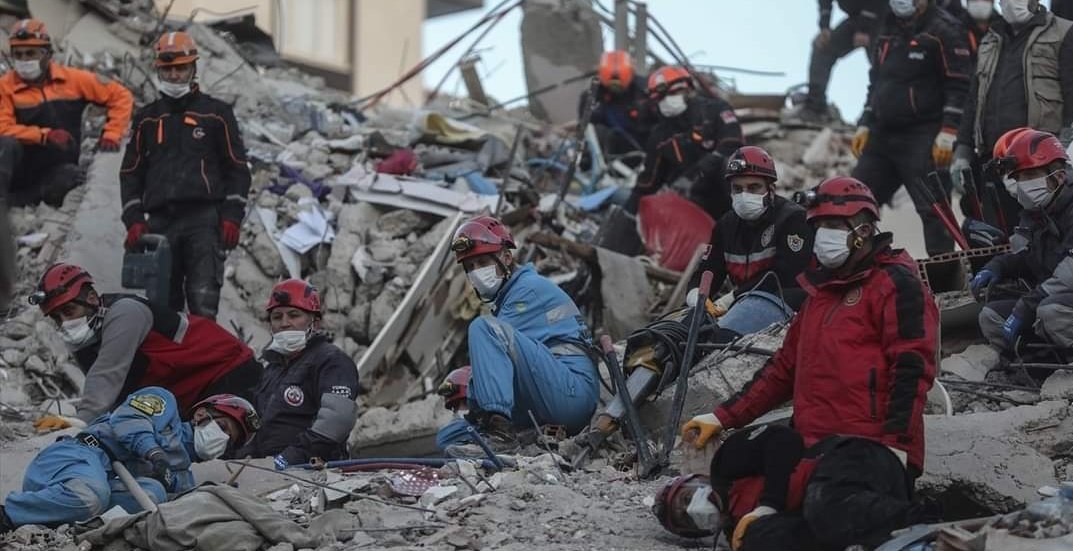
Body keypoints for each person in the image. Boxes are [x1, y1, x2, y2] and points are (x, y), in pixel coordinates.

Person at [682, 176, 940, 548]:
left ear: (863, 230)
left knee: (827, 504)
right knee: (759, 534)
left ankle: (921, 530)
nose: (823, 237)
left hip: (870, 447)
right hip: (813, 449)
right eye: (819, 227)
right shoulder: (819, 297)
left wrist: (896, 445)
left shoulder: (895, 284)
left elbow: (912, 368)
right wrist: (723, 417)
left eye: (834, 225)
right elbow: (782, 370)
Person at [29, 263, 262, 430]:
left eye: (69, 311)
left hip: (228, 372)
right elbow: (115, 398)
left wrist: (80, 421)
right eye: (56, 317)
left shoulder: (125, 312)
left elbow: (107, 374)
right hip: (188, 394)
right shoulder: (85, 339)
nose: (65, 322)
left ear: (91, 299)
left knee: (228, 449)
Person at [435, 216, 598, 452]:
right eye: (470, 267)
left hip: (572, 394)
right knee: (450, 437)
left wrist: (470, 396)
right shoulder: (507, 298)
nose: (476, 272)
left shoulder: (527, 289)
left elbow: (491, 360)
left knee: (483, 328)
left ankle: (501, 435)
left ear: (506, 258)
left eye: (482, 262)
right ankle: (507, 434)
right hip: (546, 392)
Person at [120, 31, 251, 320]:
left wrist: (231, 216)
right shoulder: (147, 118)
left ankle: (204, 352)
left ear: (193, 68)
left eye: (181, 68)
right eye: (167, 69)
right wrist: (134, 220)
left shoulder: (216, 114)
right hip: (159, 224)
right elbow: (130, 173)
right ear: (158, 69)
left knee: (203, 306)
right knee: (162, 312)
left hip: (202, 223)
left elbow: (237, 169)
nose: (174, 75)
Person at [0, 387, 259, 532]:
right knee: (90, 495)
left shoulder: (181, 476)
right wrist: (153, 452)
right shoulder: (164, 403)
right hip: (74, 457)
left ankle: (72, 528)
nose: (222, 439)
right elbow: (129, 419)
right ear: (201, 414)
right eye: (223, 428)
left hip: (94, 493)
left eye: (229, 441)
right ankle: (9, 514)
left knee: (154, 493)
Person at [851, 0, 971, 257]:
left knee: (934, 209)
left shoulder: (945, 30)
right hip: (882, 134)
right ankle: (855, 268)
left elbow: (960, 84)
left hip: (922, 134)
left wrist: (949, 131)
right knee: (855, 204)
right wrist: (865, 122)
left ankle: (945, 273)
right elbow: (876, 81)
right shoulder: (887, 27)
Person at [952, 0, 1073, 233]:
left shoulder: (1064, 33)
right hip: (994, 162)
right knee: (996, 237)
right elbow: (974, 100)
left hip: (1040, 166)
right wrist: (962, 151)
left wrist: (1064, 153)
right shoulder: (990, 39)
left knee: (1045, 235)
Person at [687, 146, 814, 344]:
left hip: (783, 302)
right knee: (677, 334)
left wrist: (732, 297)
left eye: (753, 187)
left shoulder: (792, 219)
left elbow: (785, 276)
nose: (744, 195)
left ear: (770, 189)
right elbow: (708, 270)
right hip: (743, 303)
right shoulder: (725, 226)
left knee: (720, 339)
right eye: (737, 189)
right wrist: (696, 295)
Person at [0, 18, 133, 207]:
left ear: (47, 54)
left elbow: (120, 95)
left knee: (70, 178)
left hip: (56, 165)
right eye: (18, 54)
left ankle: (20, 200)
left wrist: (112, 133)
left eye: (30, 53)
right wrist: (44, 136)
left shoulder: (72, 80)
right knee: (4, 144)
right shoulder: (5, 87)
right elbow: (3, 128)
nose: (24, 60)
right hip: (19, 167)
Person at [239, 279, 359, 470]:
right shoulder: (272, 368)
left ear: (315, 323)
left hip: (313, 472)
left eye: (294, 315)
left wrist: (288, 459)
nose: (284, 323)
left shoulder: (331, 361)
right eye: (277, 317)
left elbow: (337, 420)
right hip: (268, 470)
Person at [973, 130, 1073, 354]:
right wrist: (999, 265)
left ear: (1058, 176)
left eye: (1030, 175)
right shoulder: (1040, 213)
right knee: (992, 316)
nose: (1023, 185)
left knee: (1052, 312)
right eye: (1018, 178)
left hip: (1059, 299)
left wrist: (1028, 305)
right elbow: (1031, 257)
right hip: (1057, 296)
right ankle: (1035, 364)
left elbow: (1070, 271)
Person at [628, 66, 744, 219]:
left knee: (732, 164)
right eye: (661, 97)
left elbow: (732, 145)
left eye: (674, 92)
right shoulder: (659, 135)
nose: (667, 100)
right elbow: (648, 182)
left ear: (688, 89)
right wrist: (627, 212)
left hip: (727, 187)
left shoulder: (716, 109)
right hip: (694, 198)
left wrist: (693, 175)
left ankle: (753, 222)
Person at [790, 0, 886, 123]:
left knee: (886, 67)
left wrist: (864, 29)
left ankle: (887, 116)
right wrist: (824, 27)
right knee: (823, 48)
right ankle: (815, 108)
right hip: (857, 18)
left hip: (883, 18)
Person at [580, 50, 653, 156]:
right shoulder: (592, 96)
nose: (615, 89)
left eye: (620, 85)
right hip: (608, 147)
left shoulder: (645, 91)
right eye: (611, 85)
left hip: (641, 144)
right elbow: (586, 128)